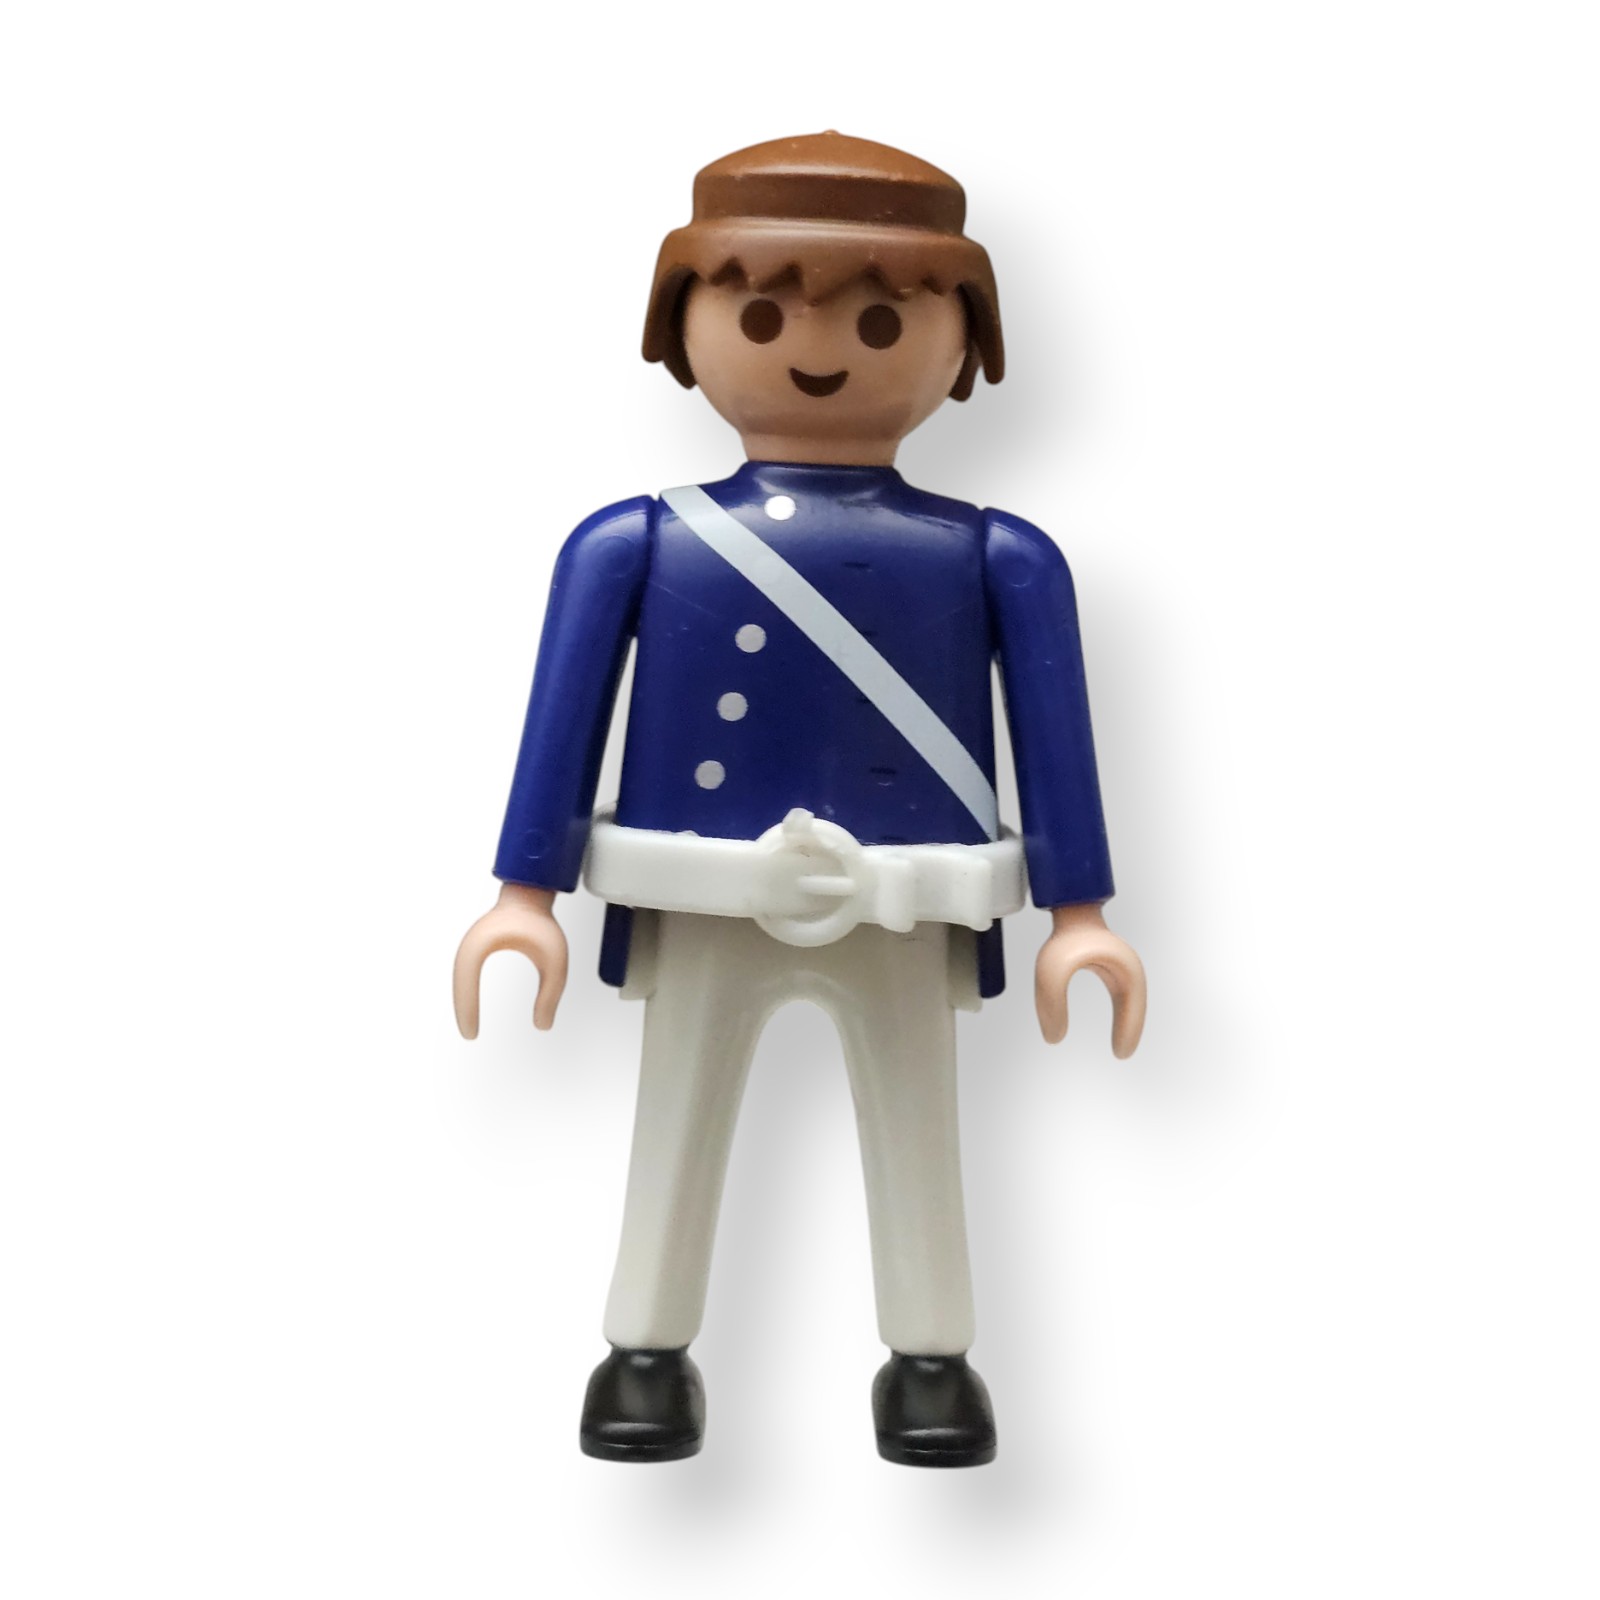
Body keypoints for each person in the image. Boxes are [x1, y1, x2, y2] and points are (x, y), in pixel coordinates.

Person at [453, 131, 1147, 1467]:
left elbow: (1056, 737)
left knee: (917, 1121)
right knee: (677, 1113)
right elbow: (563, 723)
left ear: (961, 344)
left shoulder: (997, 556)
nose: (817, 350)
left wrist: (1081, 914)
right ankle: (646, 1347)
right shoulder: (634, 542)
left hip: (905, 900)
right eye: (763, 315)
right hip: (703, 892)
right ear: (684, 325)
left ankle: (931, 1355)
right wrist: (522, 894)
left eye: (882, 321)